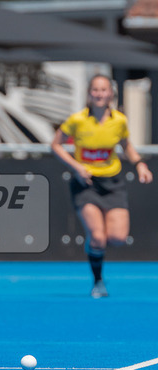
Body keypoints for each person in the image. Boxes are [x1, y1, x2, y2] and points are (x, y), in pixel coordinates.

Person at [51, 74, 153, 298]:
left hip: (113, 183)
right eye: (95, 90)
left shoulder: (119, 121)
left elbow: (126, 145)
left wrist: (140, 165)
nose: (99, 94)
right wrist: (77, 167)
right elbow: (56, 145)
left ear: (110, 94)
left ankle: (95, 250)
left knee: (117, 238)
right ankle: (97, 281)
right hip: (86, 184)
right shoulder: (77, 120)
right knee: (98, 236)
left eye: (103, 90)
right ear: (89, 93)